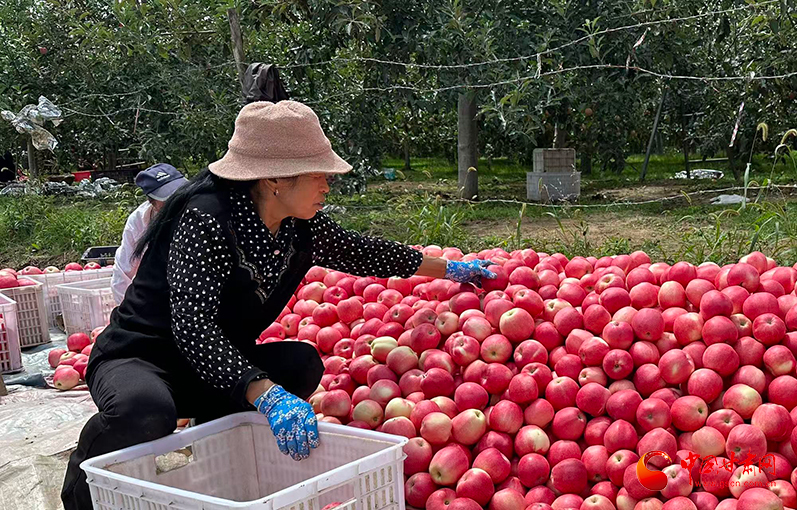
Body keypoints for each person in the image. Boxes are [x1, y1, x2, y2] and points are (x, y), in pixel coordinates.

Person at [61, 100, 496, 510]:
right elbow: (193, 327)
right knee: (145, 412)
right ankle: (81, 487)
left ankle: (215, 459)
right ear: (274, 179)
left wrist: (452, 269)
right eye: (317, 174)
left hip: (215, 366)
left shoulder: (297, 225)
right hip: (143, 358)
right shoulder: (206, 219)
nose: (327, 185)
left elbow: (363, 252)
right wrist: (265, 394)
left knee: (300, 365)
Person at [111, 164, 188, 304]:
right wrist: (126, 310)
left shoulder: (197, 211)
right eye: (167, 198)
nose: (176, 201)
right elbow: (124, 272)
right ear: (151, 201)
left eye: (179, 193)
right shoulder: (139, 222)